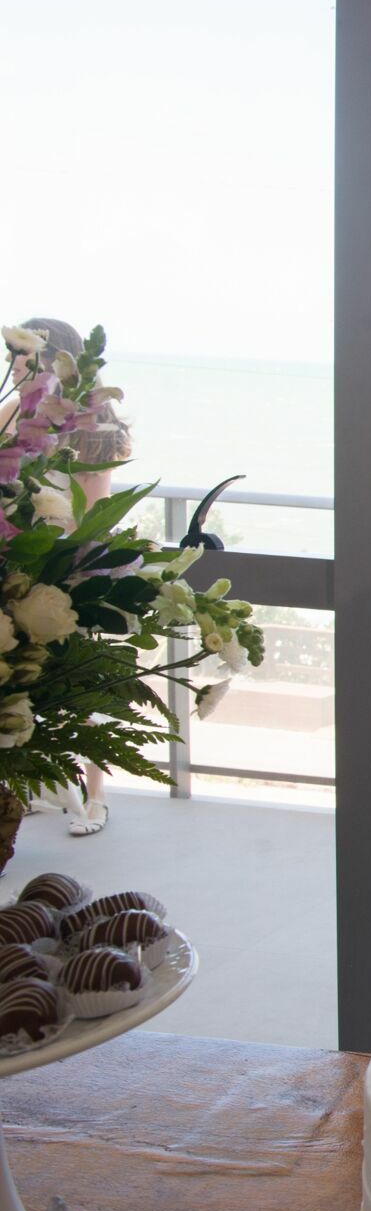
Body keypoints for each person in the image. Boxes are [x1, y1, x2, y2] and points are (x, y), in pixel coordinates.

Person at [4, 317, 133, 836]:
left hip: (76, 561)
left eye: (23, 359)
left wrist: (48, 549)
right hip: (21, 558)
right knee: (23, 676)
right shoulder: (14, 410)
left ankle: (95, 798)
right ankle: (30, 791)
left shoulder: (95, 426)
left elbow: (91, 513)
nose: (14, 368)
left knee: (80, 688)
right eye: (13, 359)